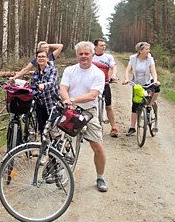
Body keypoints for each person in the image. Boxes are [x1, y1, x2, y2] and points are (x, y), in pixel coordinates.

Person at [59, 41, 108, 192]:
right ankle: (56, 170)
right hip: (69, 110)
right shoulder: (70, 70)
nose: (83, 57)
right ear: (77, 56)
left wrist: (72, 99)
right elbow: (63, 88)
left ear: (93, 55)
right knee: (57, 141)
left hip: (88, 111)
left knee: (98, 147)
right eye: (80, 54)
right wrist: (67, 101)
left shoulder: (98, 73)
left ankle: (100, 177)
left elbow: (92, 95)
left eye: (86, 54)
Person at [122, 42, 161, 136]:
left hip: (148, 82)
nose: (148, 51)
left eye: (148, 49)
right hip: (137, 84)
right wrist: (127, 79)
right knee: (135, 106)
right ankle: (132, 128)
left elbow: (153, 70)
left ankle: (149, 106)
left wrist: (155, 80)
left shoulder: (150, 59)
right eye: (146, 49)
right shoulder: (133, 59)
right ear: (140, 51)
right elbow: (128, 70)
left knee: (157, 89)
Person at [92, 39, 119, 137]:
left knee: (108, 107)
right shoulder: (90, 57)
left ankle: (113, 128)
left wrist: (114, 75)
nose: (103, 47)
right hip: (92, 85)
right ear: (95, 47)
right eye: (101, 45)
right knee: (88, 106)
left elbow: (114, 67)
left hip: (105, 84)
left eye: (104, 45)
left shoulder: (108, 57)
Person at [30, 49, 59, 135]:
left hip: (51, 104)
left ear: (47, 59)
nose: (41, 59)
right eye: (39, 57)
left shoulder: (52, 70)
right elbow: (32, 88)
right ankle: (44, 147)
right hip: (39, 105)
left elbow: (52, 83)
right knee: (42, 131)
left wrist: (43, 86)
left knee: (54, 132)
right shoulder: (35, 74)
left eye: (43, 57)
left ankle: (56, 147)